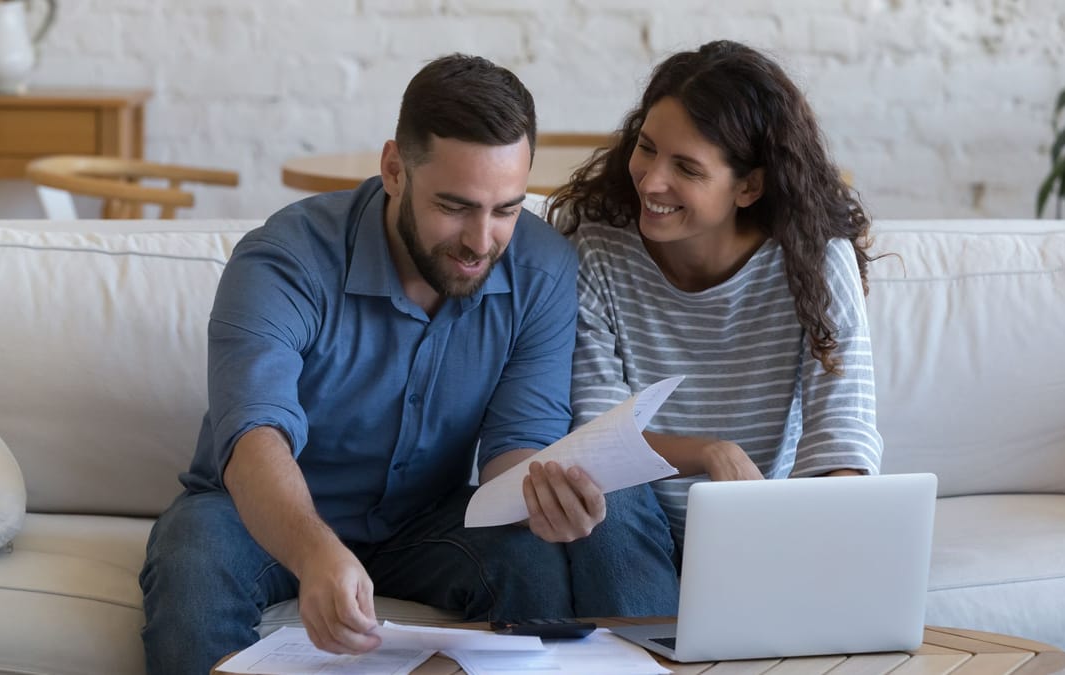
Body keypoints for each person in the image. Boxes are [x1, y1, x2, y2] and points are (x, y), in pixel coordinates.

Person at [138, 54, 678, 675]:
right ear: (395, 170)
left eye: (506, 209)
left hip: (426, 520)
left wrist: (543, 497)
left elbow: (517, 443)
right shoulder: (284, 259)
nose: (481, 241)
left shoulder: (542, 269)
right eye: (455, 206)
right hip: (253, 517)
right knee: (191, 563)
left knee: (533, 561)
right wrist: (315, 553)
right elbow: (255, 436)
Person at [546, 40, 884, 554]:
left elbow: (841, 436)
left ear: (748, 187)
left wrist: (816, 542)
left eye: (687, 168)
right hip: (626, 517)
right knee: (602, 496)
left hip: (750, 530)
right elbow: (598, 436)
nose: (651, 181)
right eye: (647, 147)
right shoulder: (593, 241)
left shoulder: (815, 259)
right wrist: (709, 452)